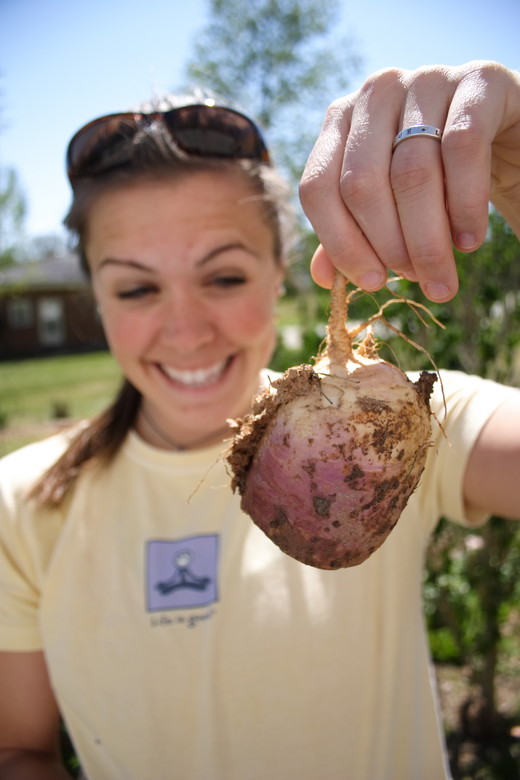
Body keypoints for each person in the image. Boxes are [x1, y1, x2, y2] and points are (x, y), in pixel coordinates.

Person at [0, 60, 519, 780]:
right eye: (136, 287)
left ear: (283, 271)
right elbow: (18, 750)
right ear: (94, 294)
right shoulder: (20, 504)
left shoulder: (404, 420)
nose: (184, 330)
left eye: (224, 277)